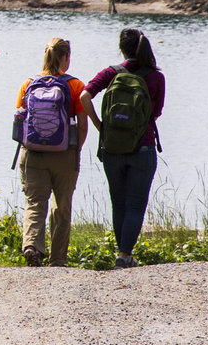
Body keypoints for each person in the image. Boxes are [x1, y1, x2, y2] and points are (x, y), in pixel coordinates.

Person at [86, 27, 166, 268]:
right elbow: (157, 112)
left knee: (118, 202)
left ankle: (123, 255)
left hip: (112, 149)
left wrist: (101, 127)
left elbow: (83, 96)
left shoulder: (112, 73)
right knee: (135, 203)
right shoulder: (155, 77)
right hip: (143, 147)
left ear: (121, 48)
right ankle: (124, 254)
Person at [13, 38, 89, 266]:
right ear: (66, 57)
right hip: (65, 154)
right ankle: (57, 260)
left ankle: (32, 247)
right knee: (61, 207)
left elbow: (19, 120)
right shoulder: (75, 86)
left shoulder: (28, 84)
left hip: (33, 153)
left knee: (35, 203)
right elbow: (82, 125)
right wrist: (75, 150)